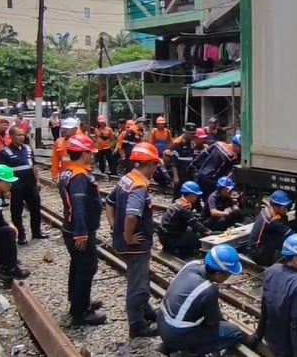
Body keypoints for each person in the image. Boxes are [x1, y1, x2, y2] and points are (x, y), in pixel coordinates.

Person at [105, 141, 161, 338]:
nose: (156, 168)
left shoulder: (126, 179)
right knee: (137, 285)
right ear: (149, 163)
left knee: (142, 279)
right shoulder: (138, 186)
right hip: (135, 246)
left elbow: (109, 203)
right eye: (155, 164)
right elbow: (131, 215)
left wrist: (114, 227)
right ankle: (137, 326)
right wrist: (128, 236)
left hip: (126, 243)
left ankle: (146, 311)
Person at [157, 244, 245, 356]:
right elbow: (212, 323)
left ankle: (171, 345)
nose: (229, 277)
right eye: (228, 274)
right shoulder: (209, 290)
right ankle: (188, 353)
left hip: (162, 321)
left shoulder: (192, 265)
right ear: (218, 274)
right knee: (234, 332)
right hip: (176, 336)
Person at [58, 134, 107, 326]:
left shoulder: (68, 171)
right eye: (91, 153)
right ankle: (80, 312)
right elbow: (78, 204)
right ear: (84, 153)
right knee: (88, 267)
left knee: (78, 265)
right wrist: (81, 232)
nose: (93, 156)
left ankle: (78, 300)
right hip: (79, 229)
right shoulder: (78, 175)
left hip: (73, 227)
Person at [0, 126, 47, 245]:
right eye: (18, 135)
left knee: (35, 209)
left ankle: (36, 232)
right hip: (16, 186)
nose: (22, 137)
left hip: (30, 184)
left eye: (23, 135)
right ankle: (21, 235)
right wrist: (5, 190)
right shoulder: (4, 153)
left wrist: (37, 181)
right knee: (16, 212)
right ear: (12, 136)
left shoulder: (28, 149)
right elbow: (2, 173)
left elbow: (33, 166)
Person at [157, 180, 212, 259]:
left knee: (190, 231)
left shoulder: (178, 201)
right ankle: (179, 251)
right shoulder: (183, 208)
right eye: (196, 195)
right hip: (170, 238)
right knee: (196, 238)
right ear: (191, 195)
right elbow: (193, 223)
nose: (197, 197)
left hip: (164, 235)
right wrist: (207, 231)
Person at [246, 190, 294, 266]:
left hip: (254, 247)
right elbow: (291, 233)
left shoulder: (268, 210)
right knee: (282, 238)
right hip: (257, 253)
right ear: (276, 207)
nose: (286, 210)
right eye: (284, 208)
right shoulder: (272, 221)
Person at [191, 133, 241, 199]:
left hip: (201, 174)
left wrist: (195, 165)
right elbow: (226, 173)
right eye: (241, 148)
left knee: (198, 198)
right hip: (211, 180)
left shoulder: (218, 144)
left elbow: (203, 154)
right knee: (211, 200)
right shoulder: (231, 156)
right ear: (236, 145)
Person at [166, 122, 197, 198]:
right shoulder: (178, 142)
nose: (193, 135)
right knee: (179, 192)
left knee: (190, 190)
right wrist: (176, 176)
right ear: (185, 133)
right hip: (180, 171)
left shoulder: (192, 142)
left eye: (194, 133)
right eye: (191, 134)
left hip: (189, 170)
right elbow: (173, 161)